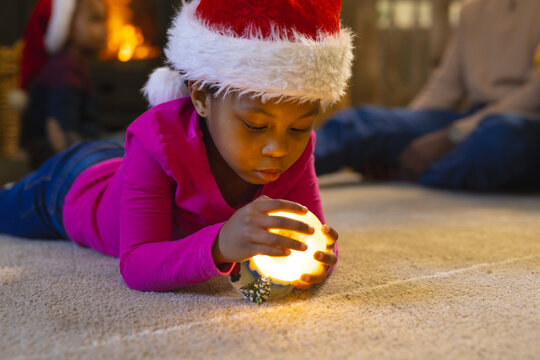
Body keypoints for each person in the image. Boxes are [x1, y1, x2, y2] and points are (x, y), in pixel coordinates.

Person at [0, 0, 354, 293]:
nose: (278, 147)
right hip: (68, 188)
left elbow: (315, 233)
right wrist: (219, 244)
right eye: (255, 125)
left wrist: (320, 254)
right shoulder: (158, 142)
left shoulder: (296, 149)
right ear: (201, 96)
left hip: (120, 166)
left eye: (298, 126)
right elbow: (136, 264)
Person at [315, 0, 540, 191]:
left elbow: (534, 93)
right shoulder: (471, 10)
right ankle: (286, 170)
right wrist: (402, 135)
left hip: (522, 122)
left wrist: (453, 136)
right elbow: (446, 85)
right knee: (360, 123)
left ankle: (405, 174)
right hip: (472, 117)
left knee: (499, 140)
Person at [18, 0, 107, 169]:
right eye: (95, 20)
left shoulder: (75, 66)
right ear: (68, 27)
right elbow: (62, 140)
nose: (104, 29)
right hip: (57, 166)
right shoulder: (64, 70)